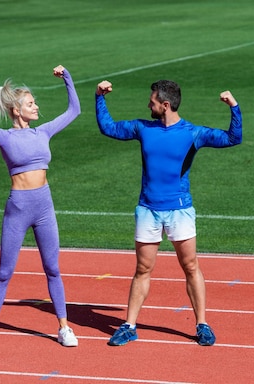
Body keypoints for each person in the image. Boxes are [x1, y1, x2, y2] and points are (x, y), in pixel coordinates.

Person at [95, 79, 242, 346]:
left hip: (180, 211)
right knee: (142, 269)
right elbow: (108, 128)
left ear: (165, 105)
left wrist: (234, 107)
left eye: (152, 102)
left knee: (190, 266)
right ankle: (129, 325)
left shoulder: (193, 133)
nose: (148, 105)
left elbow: (234, 138)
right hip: (148, 210)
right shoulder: (143, 128)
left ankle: (202, 324)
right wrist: (99, 97)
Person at [0, 65, 80, 351]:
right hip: (18, 208)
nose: (36, 107)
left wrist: (67, 77)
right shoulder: (5, 137)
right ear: (17, 110)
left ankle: (64, 328)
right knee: (5, 272)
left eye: (35, 102)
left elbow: (74, 110)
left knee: (52, 268)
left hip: (44, 206)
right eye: (31, 104)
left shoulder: (43, 132)